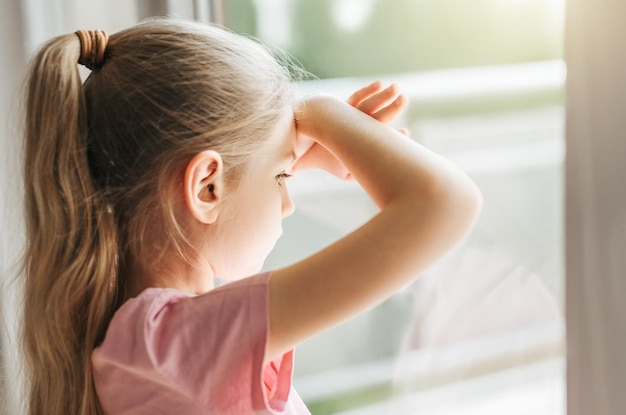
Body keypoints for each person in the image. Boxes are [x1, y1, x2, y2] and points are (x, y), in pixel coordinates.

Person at [20, 18, 481, 415]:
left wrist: (298, 152)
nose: (288, 201)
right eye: (283, 176)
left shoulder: (146, 344)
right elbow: (444, 204)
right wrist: (319, 111)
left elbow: (234, 178)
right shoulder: (178, 344)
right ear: (207, 187)